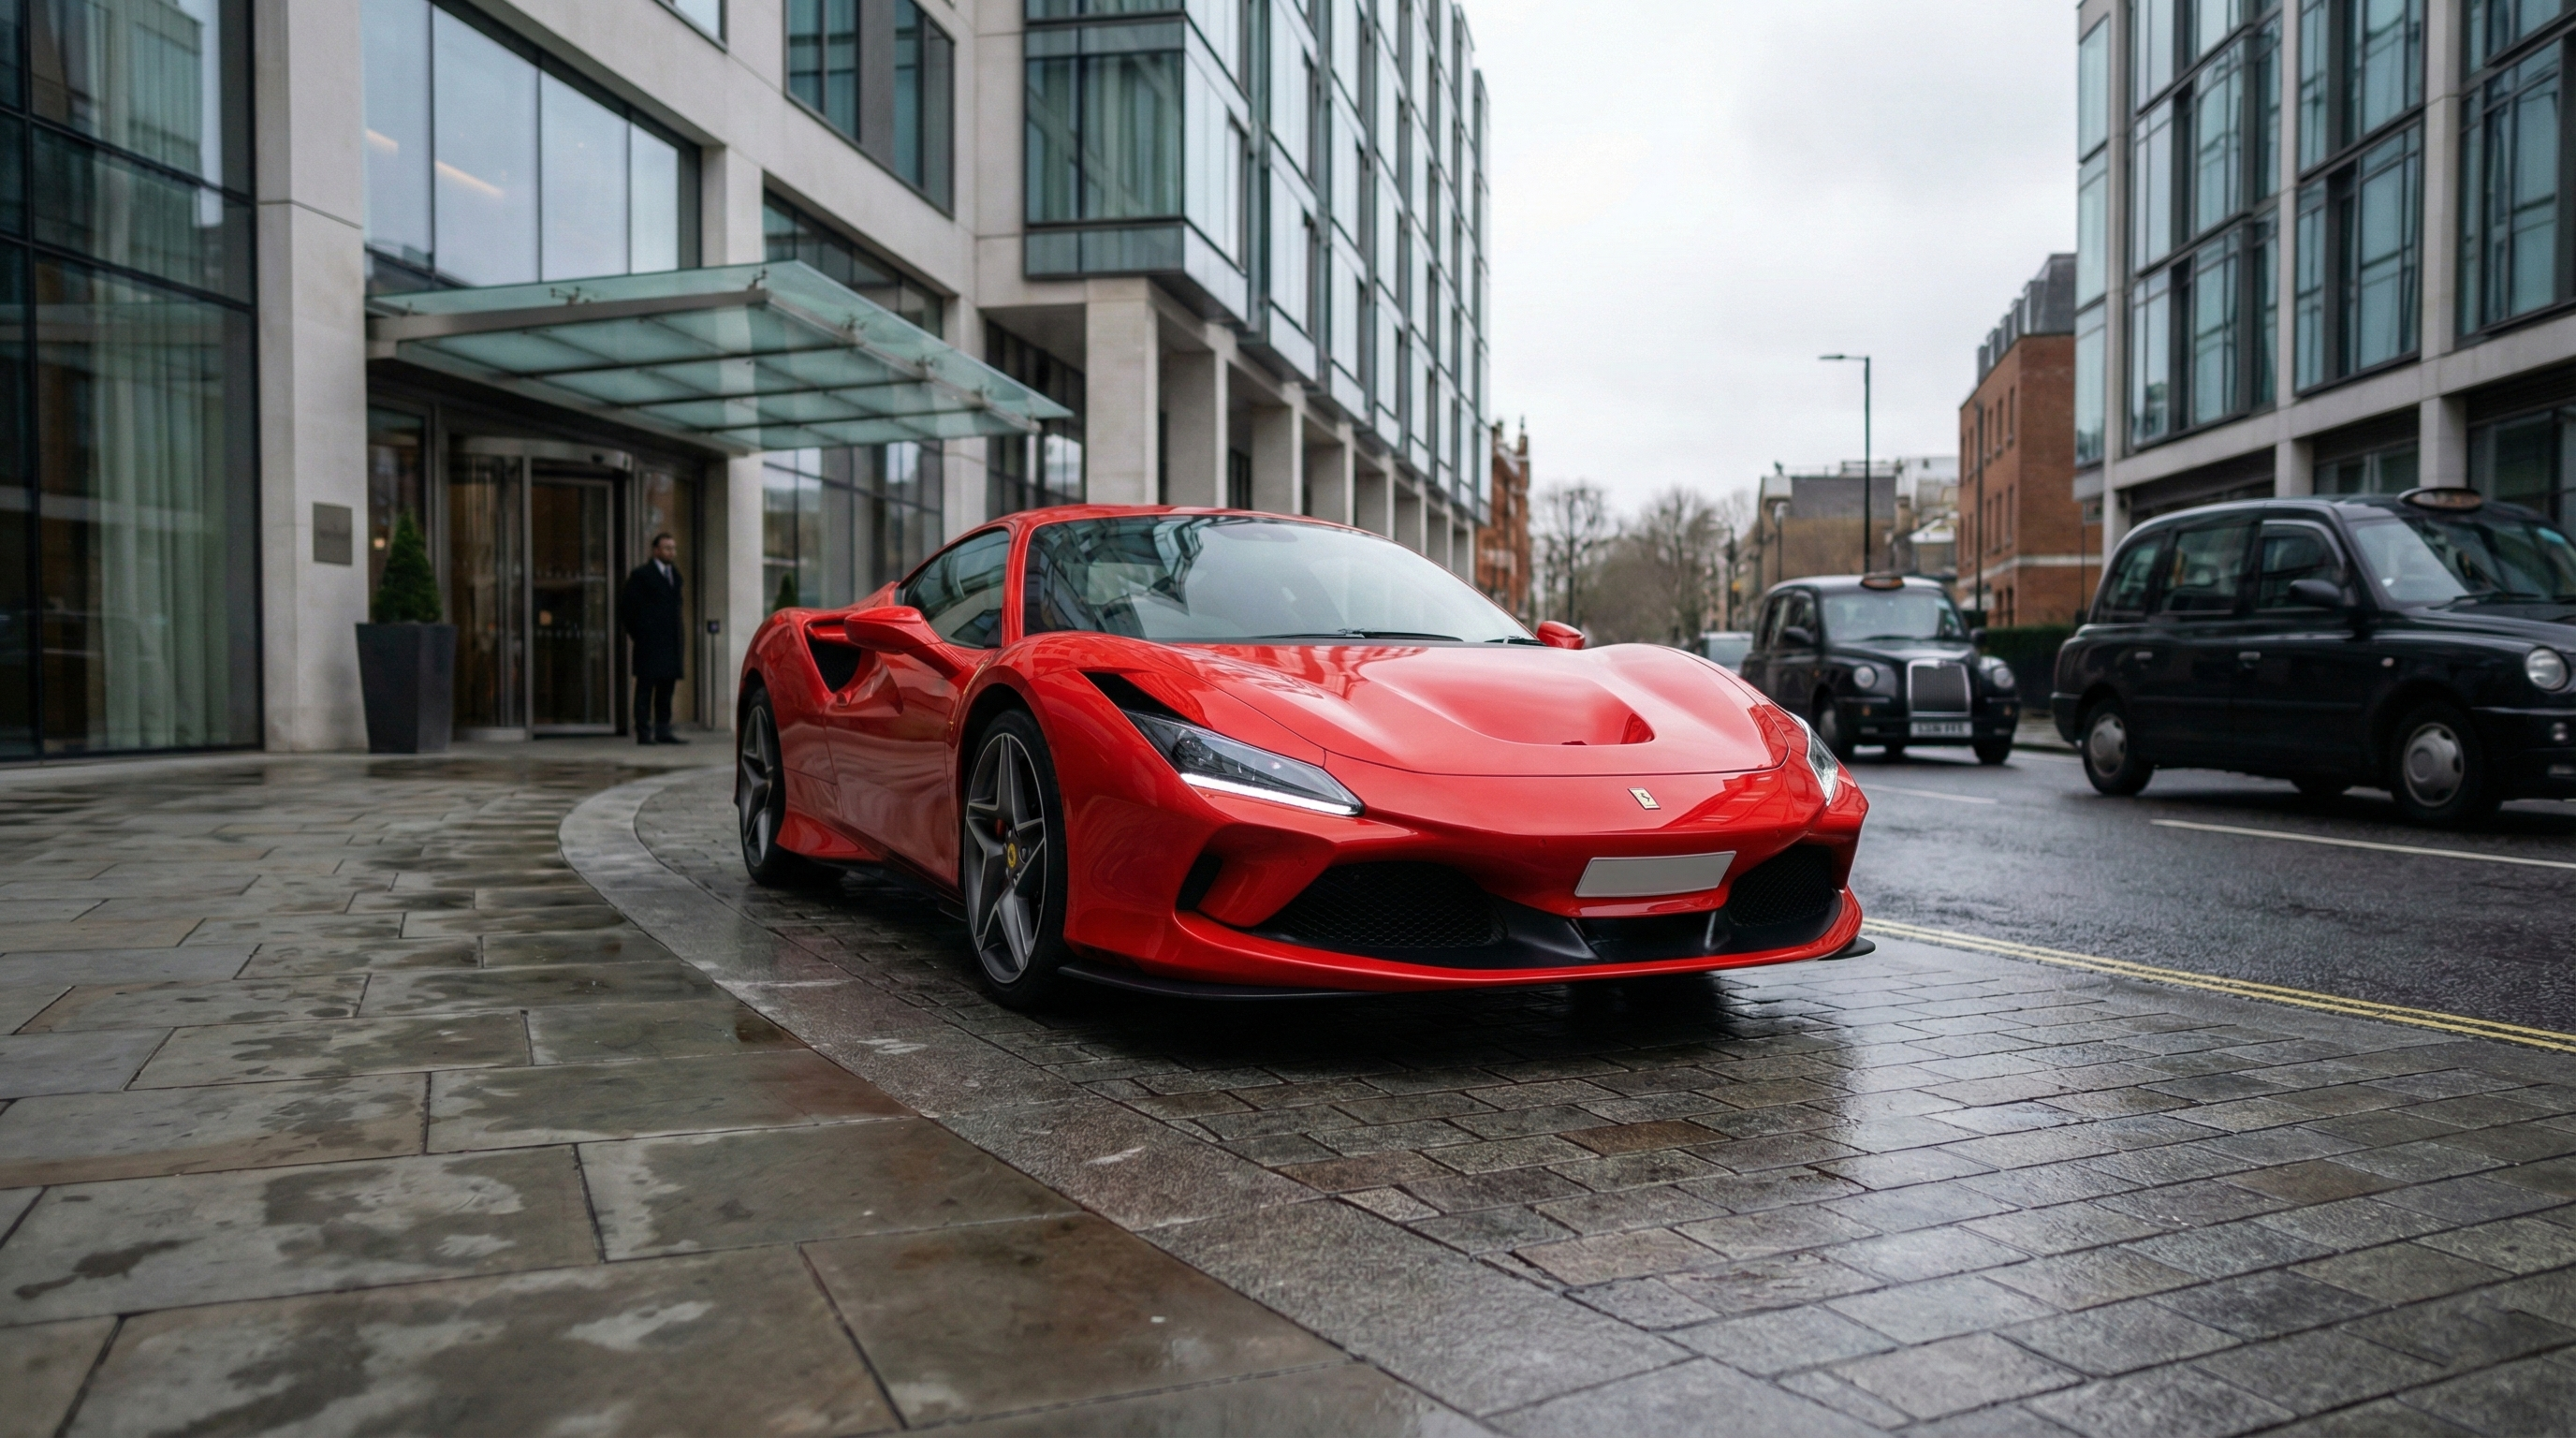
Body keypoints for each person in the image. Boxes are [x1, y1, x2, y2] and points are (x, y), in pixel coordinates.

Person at [622, 533, 688, 745]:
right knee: (645, 689)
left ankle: (663, 730)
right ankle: (643, 732)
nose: (671, 552)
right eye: (667, 548)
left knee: (666, 690)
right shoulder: (641, 575)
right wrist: (640, 634)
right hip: (649, 643)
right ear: (656, 550)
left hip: (670, 643)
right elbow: (628, 610)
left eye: (673, 548)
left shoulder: (674, 577)